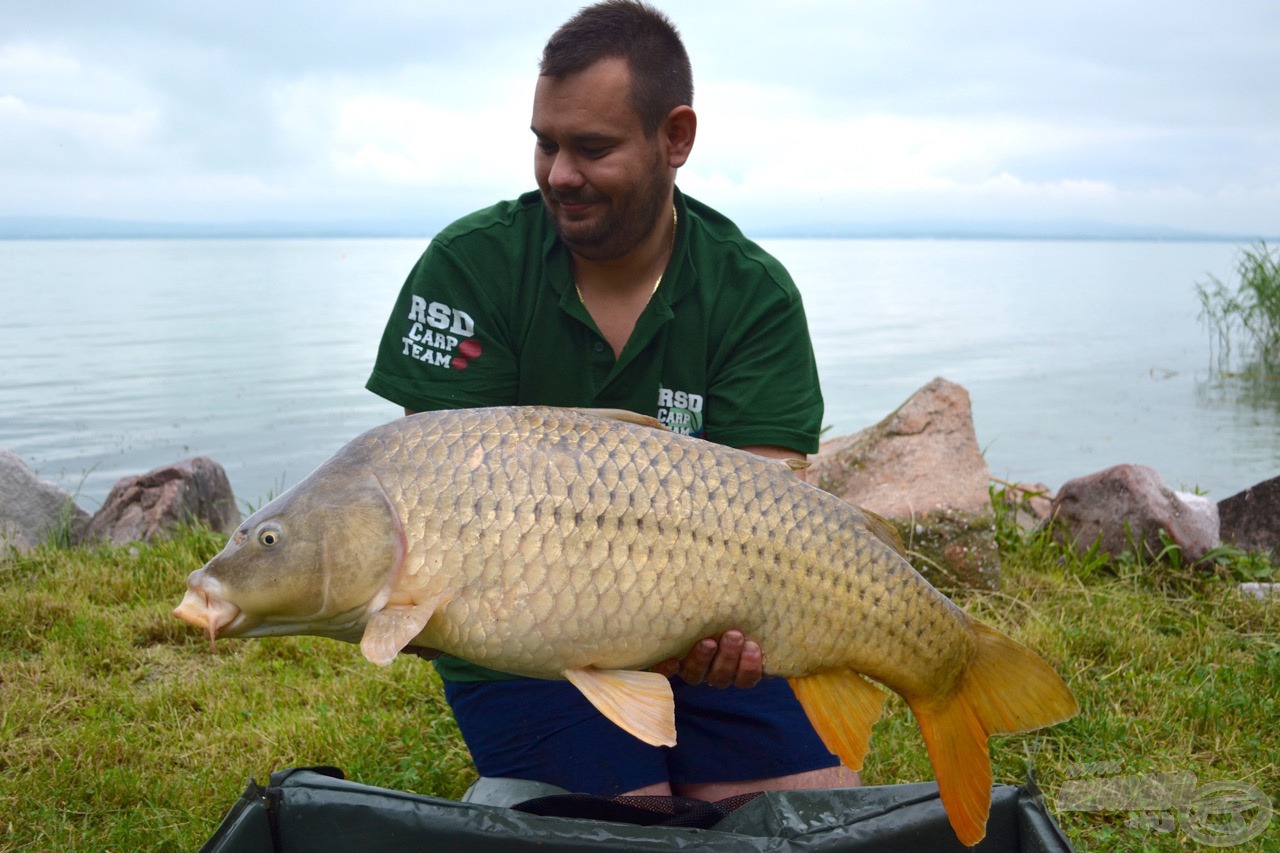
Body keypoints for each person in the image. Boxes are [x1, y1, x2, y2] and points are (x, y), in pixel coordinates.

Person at [366, 0, 859, 800]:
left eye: (592, 148)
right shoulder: (469, 268)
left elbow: (769, 519)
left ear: (677, 138)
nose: (560, 173)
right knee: (620, 825)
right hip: (524, 647)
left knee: (812, 818)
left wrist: (724, 638)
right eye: (545, 143)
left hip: (710, 651)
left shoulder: (752, 293)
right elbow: (432, 514)